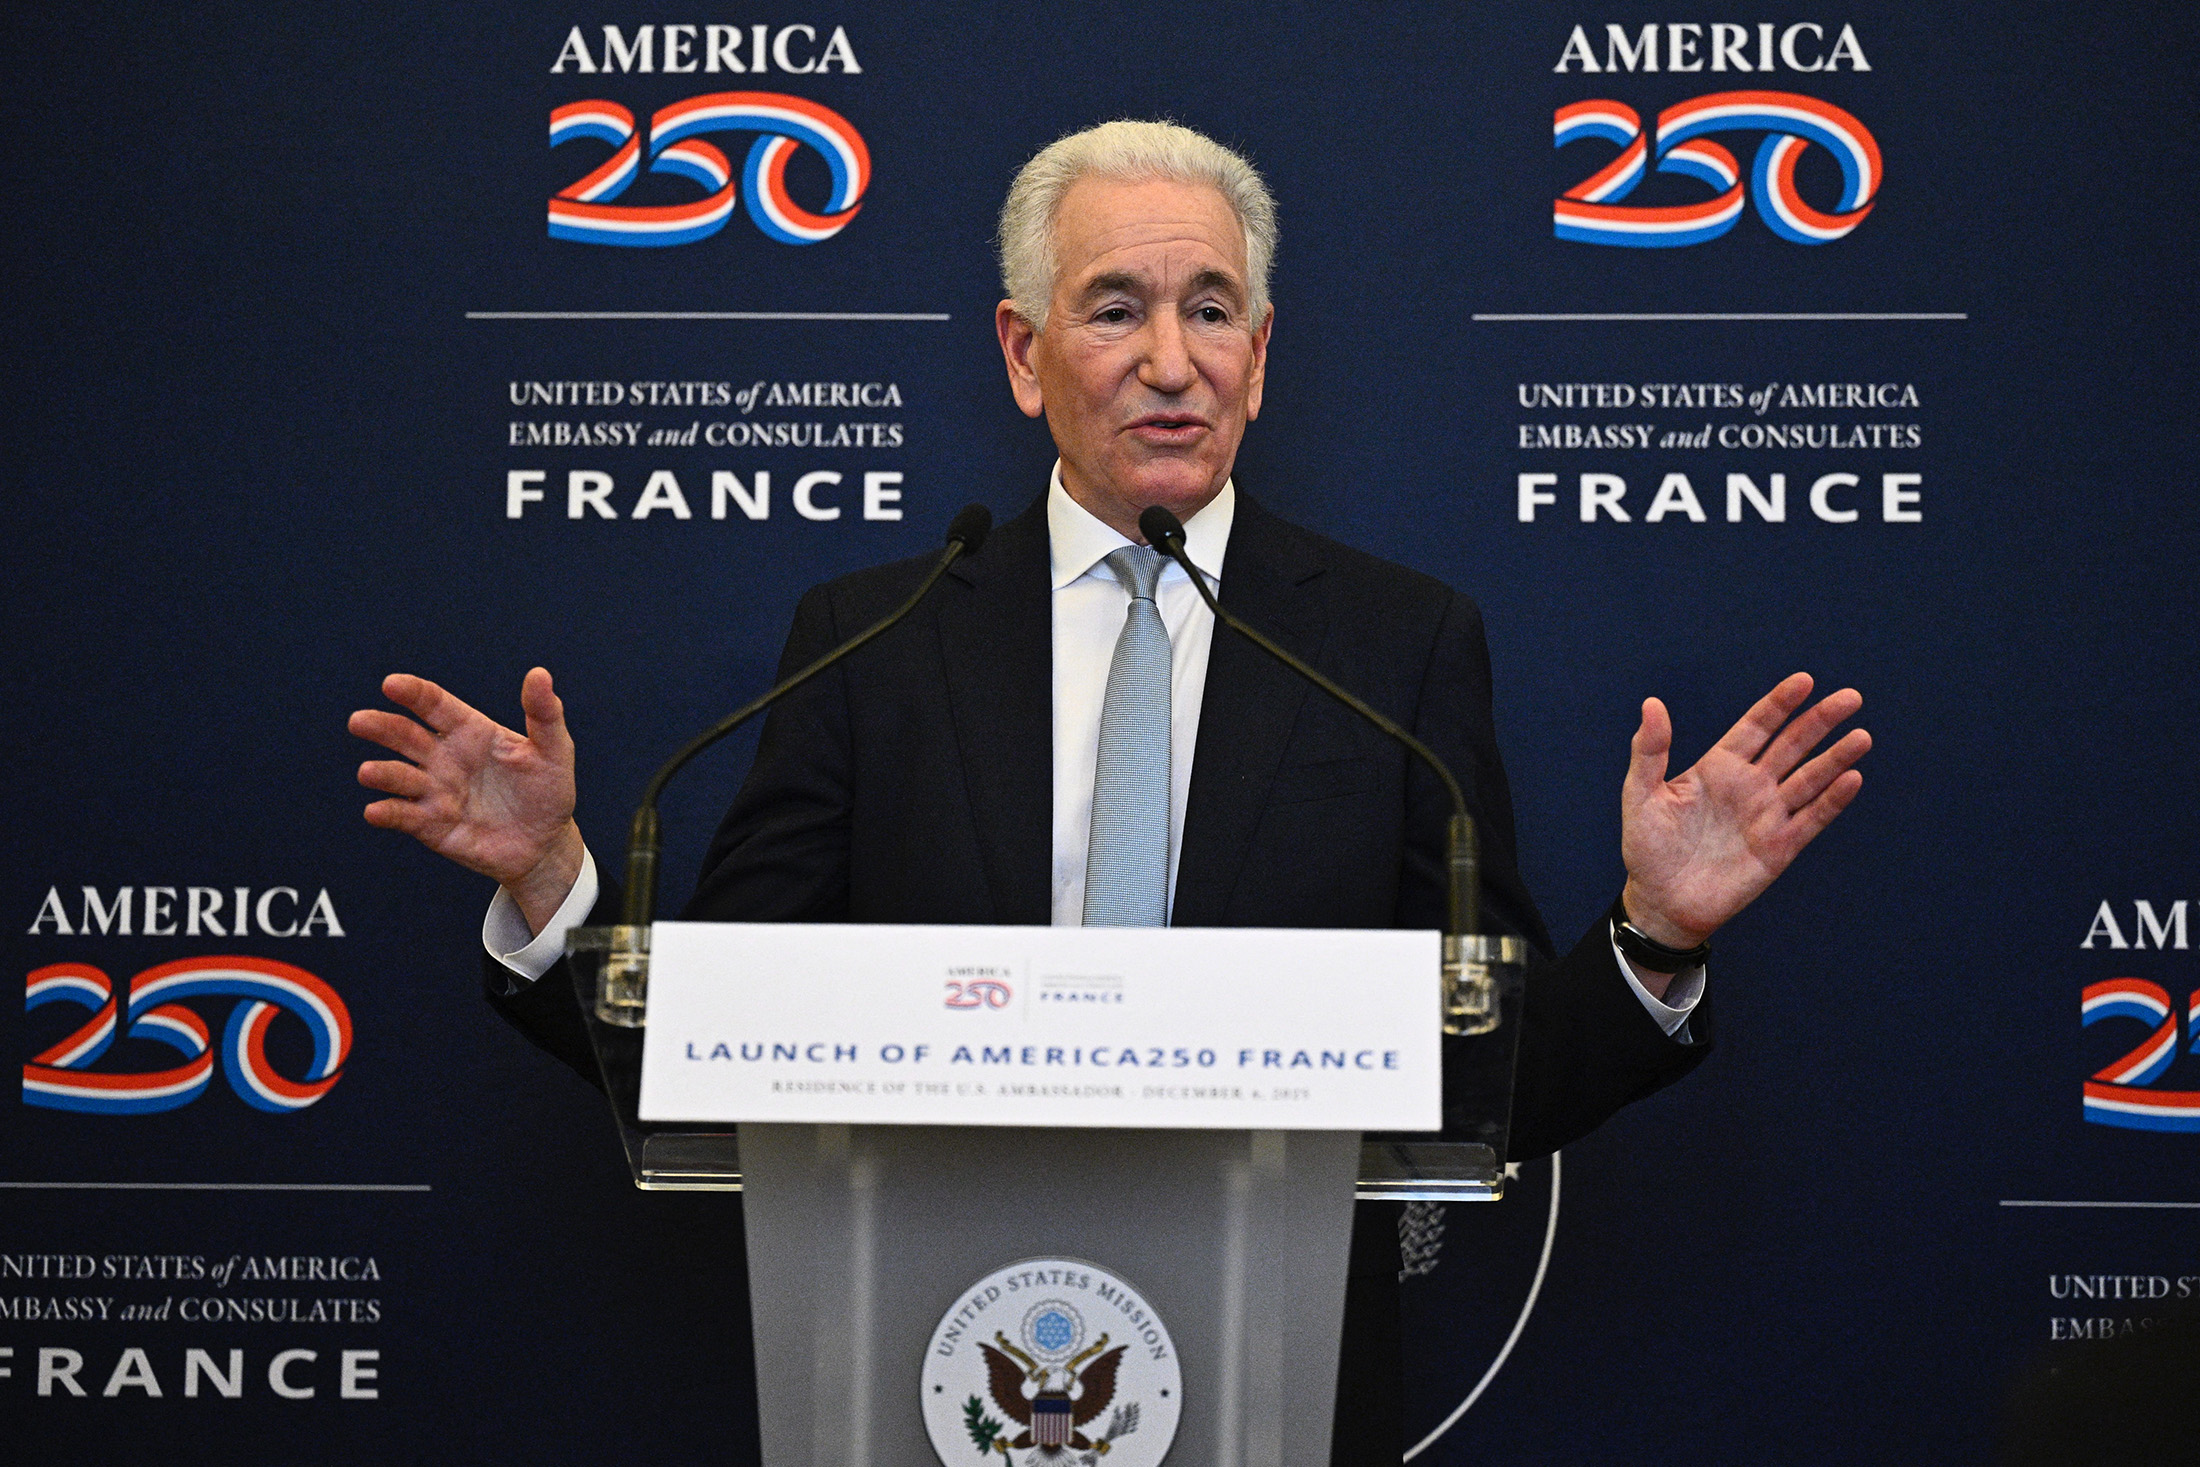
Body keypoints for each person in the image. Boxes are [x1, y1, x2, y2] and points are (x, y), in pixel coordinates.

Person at [350, 120, 1869, 1462]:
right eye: (1117, 309)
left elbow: (1488, 1074)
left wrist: (1653, 937)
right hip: (920, 1359)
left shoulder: (1398, 648)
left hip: (1282, 1388)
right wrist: (550, 881)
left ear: (1261, 360)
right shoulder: (876, 637)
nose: (1170, 359)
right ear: (1022, 355)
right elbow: (717, 1033)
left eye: (1213, 311)